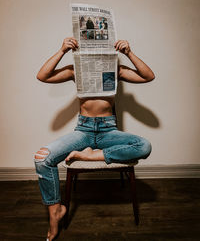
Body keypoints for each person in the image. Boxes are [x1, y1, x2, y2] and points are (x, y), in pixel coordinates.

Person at [34, 37, 155, 240]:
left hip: (109, 131)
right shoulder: (75, 70)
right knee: (42, 158)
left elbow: (148, 76)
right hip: (83, 130)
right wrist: (62, 50)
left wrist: (129, 53)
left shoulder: (117, 70)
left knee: (144, 146)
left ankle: (92, 156)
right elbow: (42, 76)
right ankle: (55, 212)